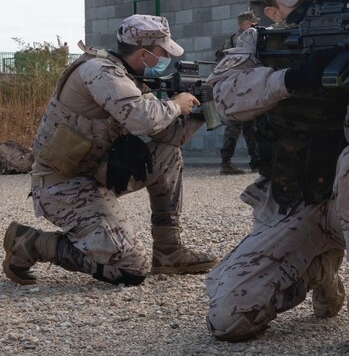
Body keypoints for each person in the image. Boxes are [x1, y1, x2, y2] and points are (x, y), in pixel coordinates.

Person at [204, 0, 349, 354]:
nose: (309, 11)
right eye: (297, 4)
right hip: (287, 203)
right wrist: (292, 77)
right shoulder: (257, 42)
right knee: (228, 319)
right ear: (273, 13)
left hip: (342, 203)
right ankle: (318, 270)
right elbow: (224, 98)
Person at [2, 15, 217, 287]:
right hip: (62, 185)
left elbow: (170, 135)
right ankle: (33, 243)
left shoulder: (127, 79)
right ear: (144, 53)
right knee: (132, 269)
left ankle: (169, 251)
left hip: (95, 175)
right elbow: (143, 118)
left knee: (168, 154)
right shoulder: (98, 71)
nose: (164, 60)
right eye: (162, 53)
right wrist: (176, 104)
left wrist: (202, 110)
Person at [215, 11, 261, 175]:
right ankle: (226, 163)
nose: (255, 25)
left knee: (251, 128)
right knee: (234, 127)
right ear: (245, 23)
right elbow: (220, 62)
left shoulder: (246, 38)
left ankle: (255, 163)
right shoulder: (236, 40)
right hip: (236, 88)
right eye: (252, 22)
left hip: (247, 87)